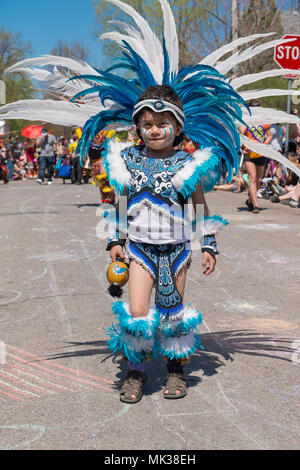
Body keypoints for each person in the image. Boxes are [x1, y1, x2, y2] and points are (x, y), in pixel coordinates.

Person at [239, 99, 272, 213]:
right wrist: (243, 128)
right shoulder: (246, 120)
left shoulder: (263, 121)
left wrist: (263, 145)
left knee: (258, 179)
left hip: (260, 152)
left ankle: (250, 199)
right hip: (249, 152)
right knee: (252, 178)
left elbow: (269, 136)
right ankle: (255, 204)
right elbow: (241, 134)